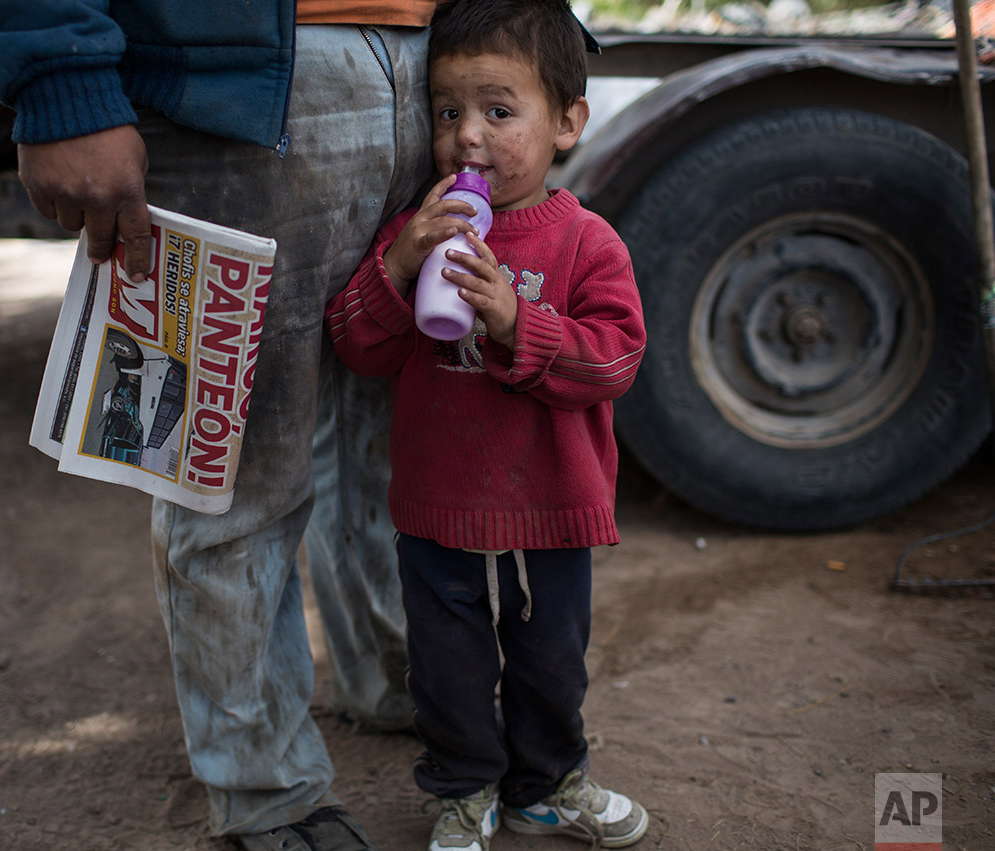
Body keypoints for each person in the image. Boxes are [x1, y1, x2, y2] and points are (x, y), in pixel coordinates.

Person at [0, 2, 441, 849]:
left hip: (426, 63)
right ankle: (264, 784)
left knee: (386, 435)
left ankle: (390, 681)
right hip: (229, 84)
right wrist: (60, 75)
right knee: (236, 475)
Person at [324, 0, 650, 848]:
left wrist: (515, 321)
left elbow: (613, 360)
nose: (468, 137)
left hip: (547, 508)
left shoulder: (586, 243)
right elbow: (356, 346)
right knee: (448, 666)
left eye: (499, 112)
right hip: (440, 508)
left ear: (567, 123)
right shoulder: (417, 229)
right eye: (447, 112)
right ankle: (464, 789)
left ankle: (546, 783)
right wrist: (398, 262)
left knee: (548, 662)